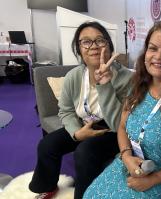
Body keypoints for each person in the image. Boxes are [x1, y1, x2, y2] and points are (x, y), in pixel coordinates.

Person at [83, 20, 161, 199]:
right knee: (91, 195)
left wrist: (154, 179)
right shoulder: (139, 86)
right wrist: (126, 157)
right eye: (153, 48)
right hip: (133, 165)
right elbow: (122, 127)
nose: (159, 56)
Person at [29, 21, 133, 199]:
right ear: (79, 50)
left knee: (85, 152)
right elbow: (65, 110)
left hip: (114, 132)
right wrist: (77, 133)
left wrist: (105, 84)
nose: (93, 47)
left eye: (100, 40)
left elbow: (120, 124)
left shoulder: (127, 79)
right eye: (86, 42)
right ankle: (47, 186)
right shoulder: (74, 76)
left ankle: (86, 196)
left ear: (109, 45)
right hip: (83, 124)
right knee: (47, 145)